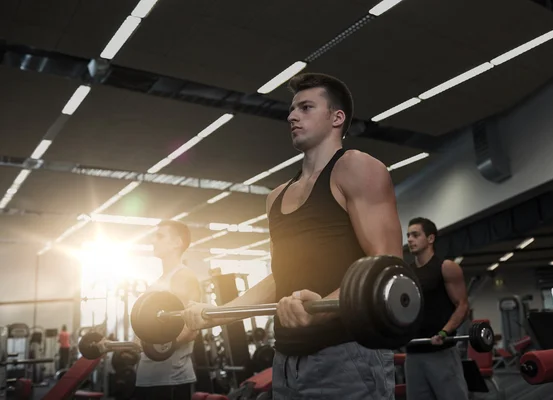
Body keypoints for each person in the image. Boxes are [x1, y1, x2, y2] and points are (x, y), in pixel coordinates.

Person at [183, 73, 404, 399]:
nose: (291, 116)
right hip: (286, 359)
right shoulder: (276, 197)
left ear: (336, 117)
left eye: (306, 107)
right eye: (292, 109)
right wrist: (216, 313)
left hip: (346, 354)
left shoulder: (356, 168)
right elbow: (279, 277)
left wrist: (325, 306)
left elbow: (387, 270)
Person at [134, 220, 202, 400]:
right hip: (148, 376)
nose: (153, 241)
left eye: (160, 236)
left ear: (177, 243)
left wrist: (154, 348)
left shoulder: (183, 276)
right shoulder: (158, 282)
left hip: (171, 380)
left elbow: (190, 327)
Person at [404, 217, 470, 400]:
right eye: (408, 235)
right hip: (413, 354)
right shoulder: (406, 273)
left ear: (430, 239)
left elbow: (462, 305)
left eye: (415, 235)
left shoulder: (446, 267)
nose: (409, 239)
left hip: (441, 351)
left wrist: (444, 332)